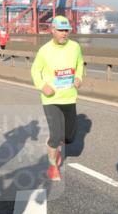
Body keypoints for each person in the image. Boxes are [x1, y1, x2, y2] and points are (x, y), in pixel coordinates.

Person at [31, 15, 85, 181]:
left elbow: (79, 64)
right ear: (52, 30)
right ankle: (52, 165)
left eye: (66, 30)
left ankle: (55, 148)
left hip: (69, 97)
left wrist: (78, 78)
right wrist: (42, 85)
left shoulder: (75, 47)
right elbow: (35, 70)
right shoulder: (44, 50)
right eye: (60, 30)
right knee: (55, 135)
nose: (64, 33)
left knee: (69, 137)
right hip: (51, 99)